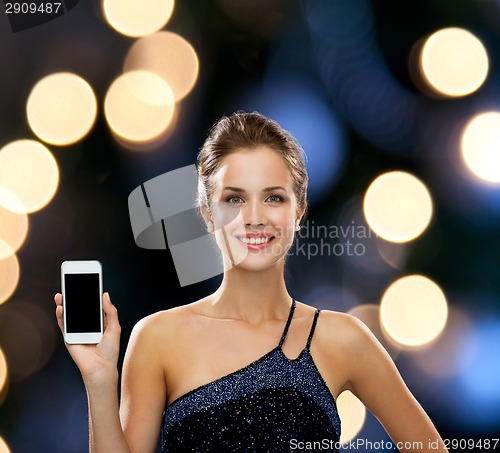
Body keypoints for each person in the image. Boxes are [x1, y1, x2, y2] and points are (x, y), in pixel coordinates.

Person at [54, 112, 448, 452]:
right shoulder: (157, 337)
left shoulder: (342, 339)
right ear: (208, 214)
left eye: (274, 198)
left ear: (299, 211)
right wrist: (100, 378)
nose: (255, 217)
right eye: (235, 199)